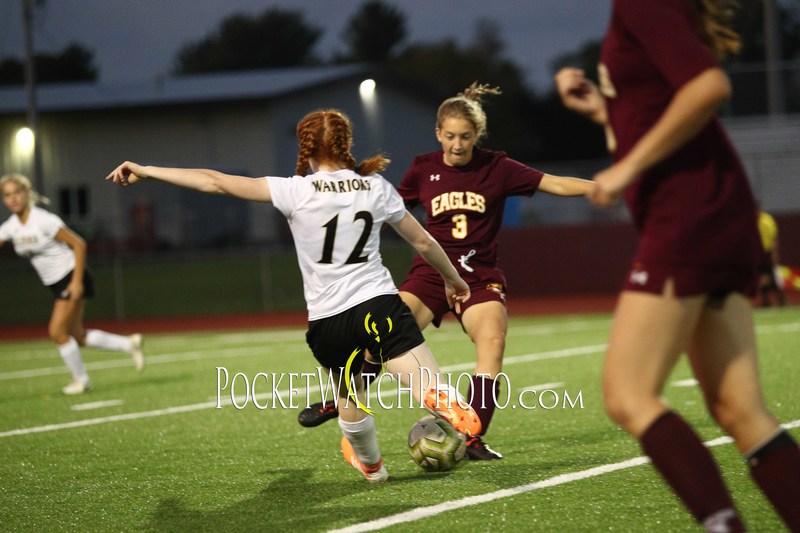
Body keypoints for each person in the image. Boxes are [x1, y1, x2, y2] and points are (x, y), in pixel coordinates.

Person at [106, 109, 481, 483]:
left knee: (351, 395)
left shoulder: (294, 190)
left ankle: (372, 468)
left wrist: (148, 170)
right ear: (346, 143)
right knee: (421, 378)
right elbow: (422, 240)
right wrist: (453, 280)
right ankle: (441, 396)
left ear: (305, 147)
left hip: (327, 323)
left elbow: (215, 182)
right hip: (377, 303)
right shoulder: (375, 187)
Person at [555, 1, 800, 530]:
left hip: (689, 214)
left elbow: (708, 87)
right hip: (715, 209)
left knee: (627, 394)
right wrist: (603, 111)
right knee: (740, 409)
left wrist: (625, 169)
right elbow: (657, 104)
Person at [299, 83, 596, 461]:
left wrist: (602, 187)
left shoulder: (497, 167)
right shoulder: (424, 168)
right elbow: (386, 208)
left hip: (478, 276)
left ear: (478, 135)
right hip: (430, 274)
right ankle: (341, 401)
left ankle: (472, 437)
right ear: (438, 132)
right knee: (378, 343)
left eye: (466, 137)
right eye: (451, 136)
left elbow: (554, 183)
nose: (457, 145)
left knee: (492, 344)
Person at [0, 173, 145, 395]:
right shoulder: (11, 226)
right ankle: (128, 344)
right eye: (7, 195)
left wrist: (76, 283)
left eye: (17, 192)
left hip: (71, 276)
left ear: (27, 193)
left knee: (57, 331)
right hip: (55, 283)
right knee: (77, 335)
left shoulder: (43, 220)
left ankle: (81, 380)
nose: (13, 198)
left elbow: (79, 244)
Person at [757, 209, 786, 307]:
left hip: (768, 252)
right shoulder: (753, 221)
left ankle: (781, 300)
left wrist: (774, 254)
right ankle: (766, 301)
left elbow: (774, 238)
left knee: (774, 277)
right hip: (759, 253)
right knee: (763, 278)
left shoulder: (767, 220)